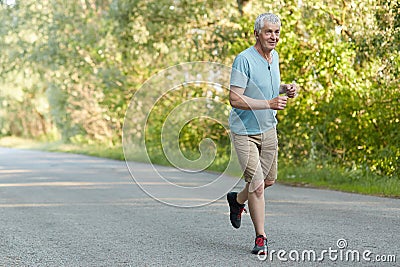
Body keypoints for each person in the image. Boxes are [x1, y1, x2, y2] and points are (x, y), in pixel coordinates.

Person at [227, 13, 297, 255]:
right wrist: (269, 103)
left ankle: (237, 201)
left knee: (268, 181)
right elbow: (234, 98)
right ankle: (261, 238)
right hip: (244, 132)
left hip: (268, 128)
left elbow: (263, 86)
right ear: (257, 33)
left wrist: (284, 88)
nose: (274, 37)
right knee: (256, 185)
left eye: (277, 32)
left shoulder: (274, 56)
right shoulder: (243, 60)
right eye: (268, 32)